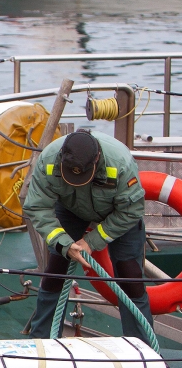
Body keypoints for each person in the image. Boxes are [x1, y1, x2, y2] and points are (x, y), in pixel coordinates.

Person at [23, 130, 152, 339]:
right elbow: (37, 207)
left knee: (131, 277)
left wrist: (93, 241)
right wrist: (62, 243)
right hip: (71, 209)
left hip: (119, 213)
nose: (76, 180)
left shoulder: (120, 164)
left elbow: (131, 210)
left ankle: (143, 349)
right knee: (56, 271)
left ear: (97, 160)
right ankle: (41, 341)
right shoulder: (48, 159)